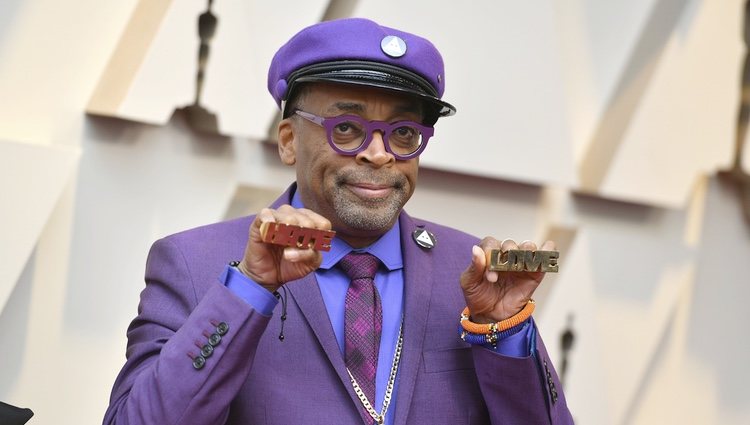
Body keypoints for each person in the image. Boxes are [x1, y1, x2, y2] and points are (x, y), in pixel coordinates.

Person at [103, 17, 574, 425]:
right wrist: (249, 291)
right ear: (288, 140)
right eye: (346, 128)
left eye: (404, 133)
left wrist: (503, 331)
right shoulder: (194, 264)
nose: (378, 153)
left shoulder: (470, 273)